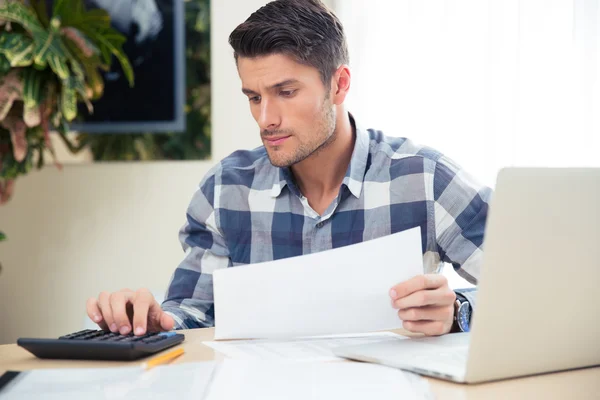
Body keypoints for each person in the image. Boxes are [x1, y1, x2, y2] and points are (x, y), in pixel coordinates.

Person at [86, 0, 490, 338]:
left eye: (286, 92)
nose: (266, 119)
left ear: (339, 84)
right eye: (253, 97)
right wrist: (158, 321)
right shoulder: (226, 189)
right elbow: (195, 311)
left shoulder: (424, 179)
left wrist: (458, 310)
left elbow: (531, 286)